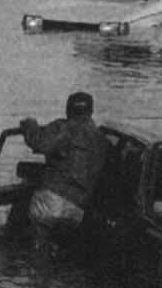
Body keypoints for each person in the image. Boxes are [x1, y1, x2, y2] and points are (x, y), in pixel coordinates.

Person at [19, 92, 111, 248]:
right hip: (78, 209)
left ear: (68, 110)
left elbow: (38, 142)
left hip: (51, 201)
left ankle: (36, 261)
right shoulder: (102, 140)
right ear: (91, 112)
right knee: (64, 249)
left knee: (37, 245)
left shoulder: (64, 128)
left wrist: (30, 125)